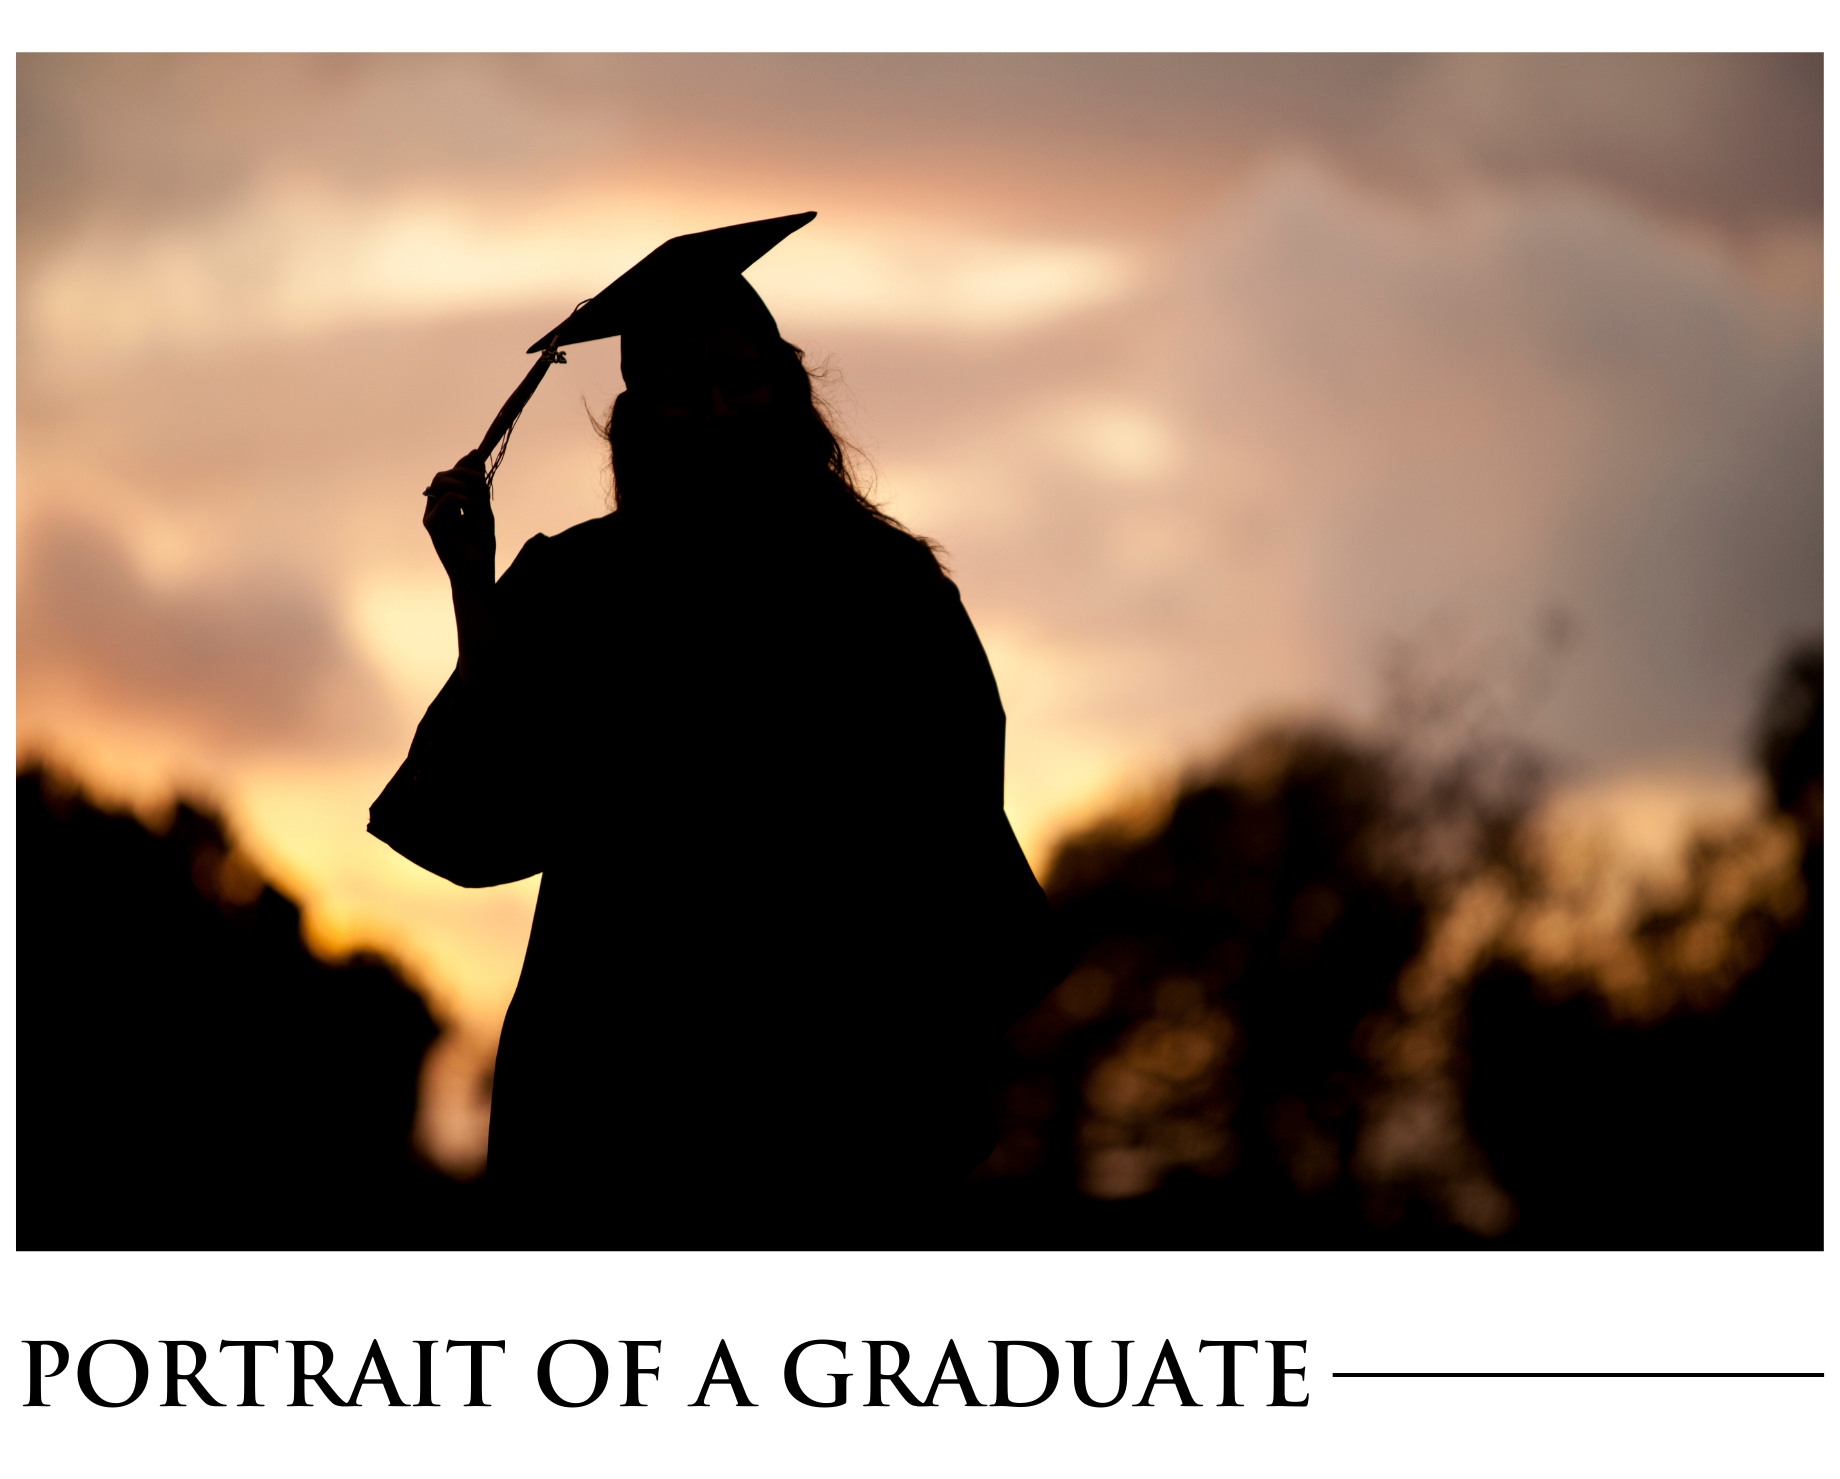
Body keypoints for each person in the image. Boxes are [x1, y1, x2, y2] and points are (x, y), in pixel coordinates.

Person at [369, 216, 1057, 1247]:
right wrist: (477, 591)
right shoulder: (579, 586)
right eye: (683, 391)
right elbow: (480, 820)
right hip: (612, 1082)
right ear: (637, 417)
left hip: (827, 1084)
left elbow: (955, 831)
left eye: (744, 380)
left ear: (790, 396)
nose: (718, 410)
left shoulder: (886, 595)